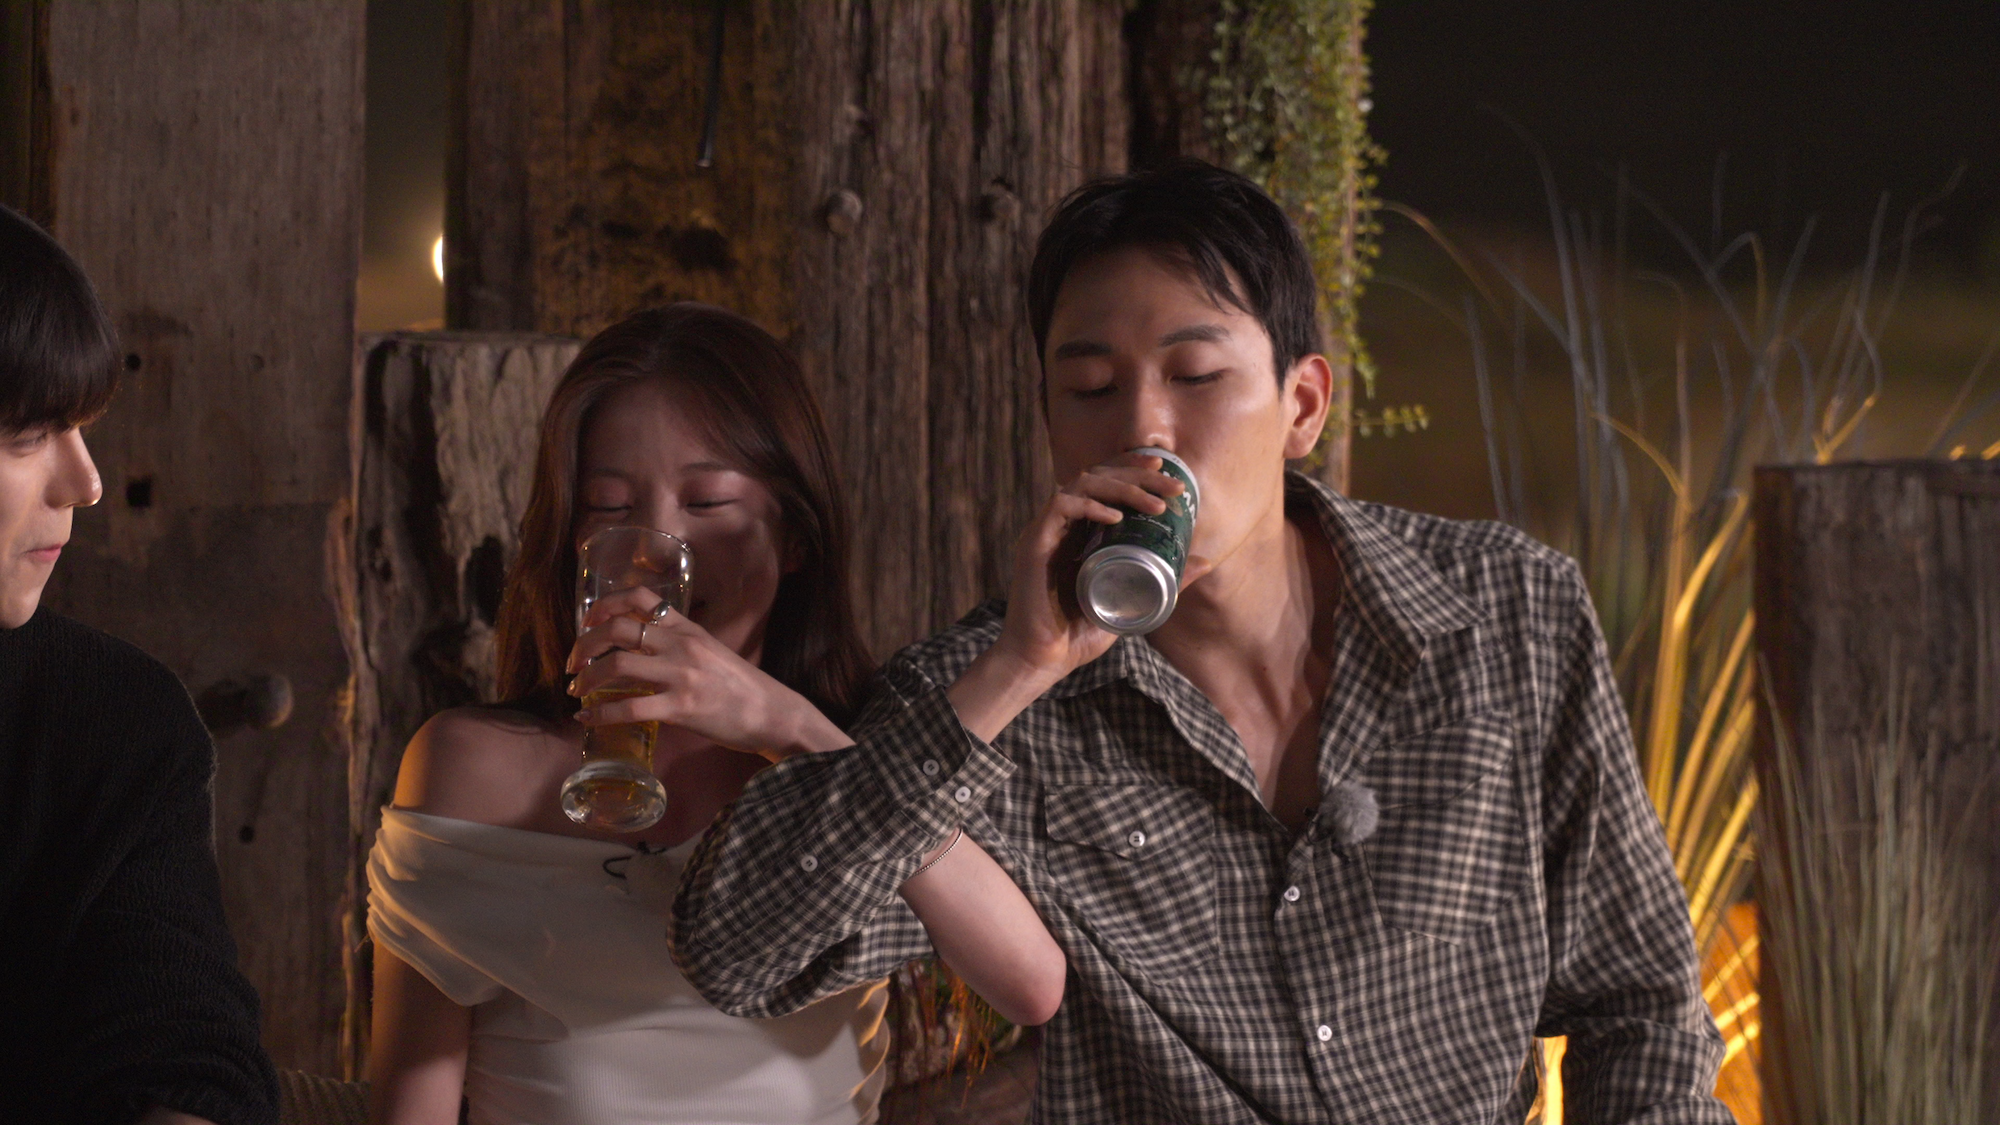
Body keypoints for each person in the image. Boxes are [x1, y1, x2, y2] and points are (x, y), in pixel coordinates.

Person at [670, 162, 1736, 1123]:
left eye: (1194, 376)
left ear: (1302, 404)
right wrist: (1018, 672)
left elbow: (1637, 1005)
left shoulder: (1511, 616)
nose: (1144, 428)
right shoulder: (984, 700)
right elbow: (740, 953)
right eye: (1090, 389)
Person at [365, 303, 1063, 1125]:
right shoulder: (475, 765)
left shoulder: (857, 753)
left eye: (706, 503)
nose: (658, 549)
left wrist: (785, 724)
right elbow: (410, 1103)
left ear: (794, 538)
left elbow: (1029, 983)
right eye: (609, 506)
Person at [0, 204, 279, 1124]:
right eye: (26, 434)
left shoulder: (115, 721)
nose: (85, 483)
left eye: (80, 428)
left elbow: (181, 1047)